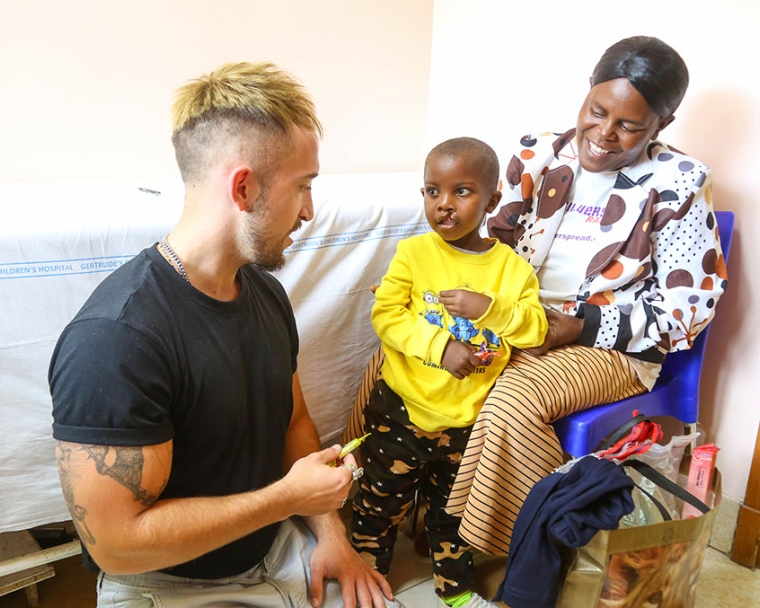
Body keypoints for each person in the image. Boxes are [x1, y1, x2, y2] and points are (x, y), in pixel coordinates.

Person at [344, 35, 728, 560]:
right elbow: (489, 244)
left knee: (511, 398)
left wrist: (578, 326)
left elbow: (691, 309)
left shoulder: (679, 181)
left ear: (662, 124)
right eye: (596, 111)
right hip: (509, 312)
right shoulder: (539, 152)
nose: (604, 134)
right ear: (588, 92)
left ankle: (493, 548)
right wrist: (424, 293)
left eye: (629, 126)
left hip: (606, 346)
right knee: (400, 357)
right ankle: (357, 506)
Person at [49, 61, 400, 608]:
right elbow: (118, 547)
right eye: (303, 186)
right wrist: (286, 500)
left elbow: (294, 421)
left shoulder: (264, 293)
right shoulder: (116, 340)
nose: (309, 211)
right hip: (163, 583)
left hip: (275, 550)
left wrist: (331, 535)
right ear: (243, 187)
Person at [349, 137, 547, 608]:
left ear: (492, 200)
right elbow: (387, 315)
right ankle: (365, 579)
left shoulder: (513, 270)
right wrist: (442, 347)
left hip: (464, 423)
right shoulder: (415, 254)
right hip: (402, 412)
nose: (444, 205)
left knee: (451, 513)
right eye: (432, 191)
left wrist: (490, 310)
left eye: (462, 192)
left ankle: (455, 591)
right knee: (380, 504)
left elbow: (536, 328)